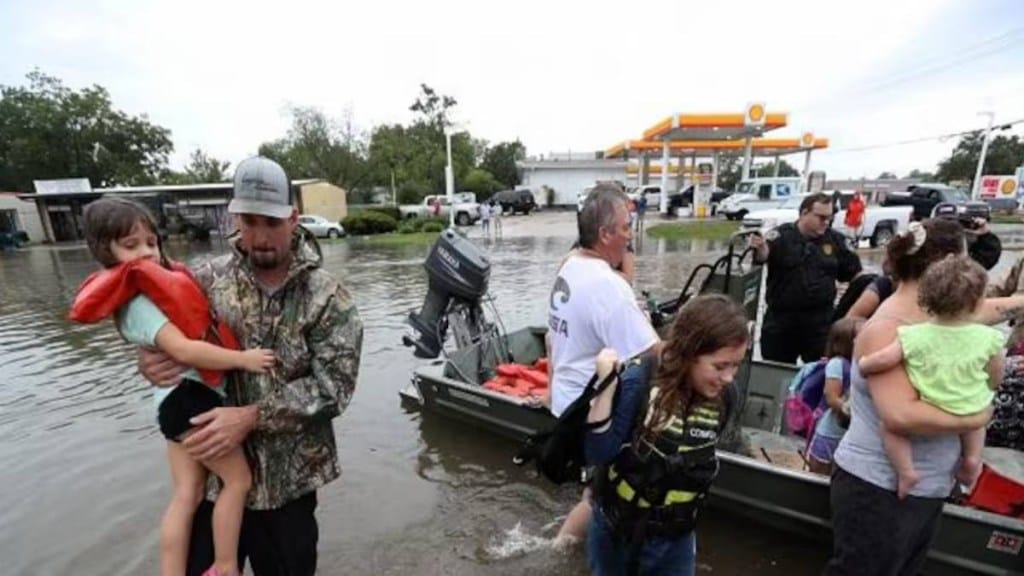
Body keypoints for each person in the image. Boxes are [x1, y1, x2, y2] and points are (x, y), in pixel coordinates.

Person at [138, 156, 364, 576]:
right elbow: (158, 333)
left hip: (288, 489)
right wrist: (148, 359)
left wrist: (252, 416)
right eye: (249, 221)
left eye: (271, 223)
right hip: (211, 481)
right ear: (235, 217)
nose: (259, 236)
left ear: (293, 219)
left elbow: (335, 388)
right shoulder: (201, 282)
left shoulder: (330, 298)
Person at [75, 198, 273, 576]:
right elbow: (183, 349)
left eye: (151, 241)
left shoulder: (148, 292)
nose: (147, 253)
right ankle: (227, 567)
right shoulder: (139, 303)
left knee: (188, 494)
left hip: (172, 404)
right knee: (237, 479)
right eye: (131, 245)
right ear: (106, 251)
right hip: (188, 399)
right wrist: (244, 359)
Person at [823, 216, 1024, 576]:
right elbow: (902, 417)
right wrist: (978, 417)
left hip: (928, 486)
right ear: (948, 262)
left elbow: (1006, 305)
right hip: (880, 488)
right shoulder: (888, 329)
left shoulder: (951, 317)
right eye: (966, 258)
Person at [584, 295, 748, 576]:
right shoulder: (639, 383)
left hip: (677, 538)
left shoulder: (725, 397)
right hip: (619, 531)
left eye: (736, 365)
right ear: (688, 353)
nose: (729, 378)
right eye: (720, 366)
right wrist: (607, 387)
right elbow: (597, 451)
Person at [547, 183, 660, 545]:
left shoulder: (571, 264)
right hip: (591, 408)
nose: (630, 237)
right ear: (605, 233)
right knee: (598, 493)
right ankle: (561, 548)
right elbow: (653, 353)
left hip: (565, 396)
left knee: (597, 485)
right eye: (627, 228)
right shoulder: (607, 286)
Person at [858, 253, 1003, 498]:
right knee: (977, 425)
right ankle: (971, 461)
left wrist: (864, 364)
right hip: (968, 404)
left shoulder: (913, 335)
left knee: (889, 429)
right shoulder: (989, 337)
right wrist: (986, 386)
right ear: (978, 302)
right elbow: (995, 375)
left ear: (927, 297)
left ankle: (906, 471)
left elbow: (885, 359)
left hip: (929, 402)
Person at [749, 192, 862, 364]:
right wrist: (760, 247)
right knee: (775, 375)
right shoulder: (781, 236)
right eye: (821, 217)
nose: (826, 222)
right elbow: (763, 256)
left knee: (819, 376)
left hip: (819, 325)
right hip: (782, 323)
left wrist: (849, 314)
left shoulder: (836, 240)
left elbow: (857, 277)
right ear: (804, 213)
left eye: (829, 218)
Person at [806, 317, 863, 475]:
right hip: (830, 433)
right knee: (820, 472)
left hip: (849, 435)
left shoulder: (860, 365)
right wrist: (853, 410)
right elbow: (831, 398)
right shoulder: (838, 364)